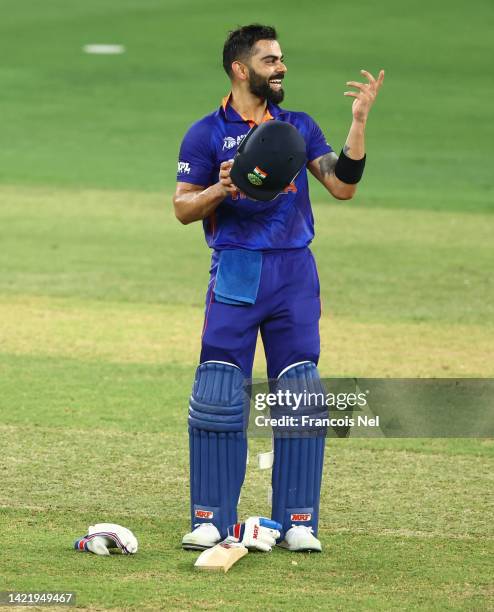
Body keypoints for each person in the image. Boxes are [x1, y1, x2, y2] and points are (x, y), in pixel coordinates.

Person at [174, 24, 384, 553]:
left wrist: (357, 125)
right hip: (237, 270)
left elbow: (343, 185)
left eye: (281, 59)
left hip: (293, 274)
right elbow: (181, 207)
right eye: (270, 60)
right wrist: (222, 187)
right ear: (241, 69)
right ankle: (210, 519)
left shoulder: (298, 126)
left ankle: (298, 521)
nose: (281, 67)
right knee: (220, 392)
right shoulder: (205, 132)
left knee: (301, 395)